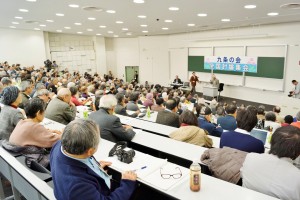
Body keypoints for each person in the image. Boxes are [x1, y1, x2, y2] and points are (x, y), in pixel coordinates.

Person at [50, 119, 137, 200]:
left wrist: (95, 168)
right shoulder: (78, 186)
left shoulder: (59, 145)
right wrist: (127, 184)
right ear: (90, 151)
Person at [240, 126, 300, 200]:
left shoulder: (250, 157)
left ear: (271, 141)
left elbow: (242, 175)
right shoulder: (297, 177)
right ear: (298, 153)